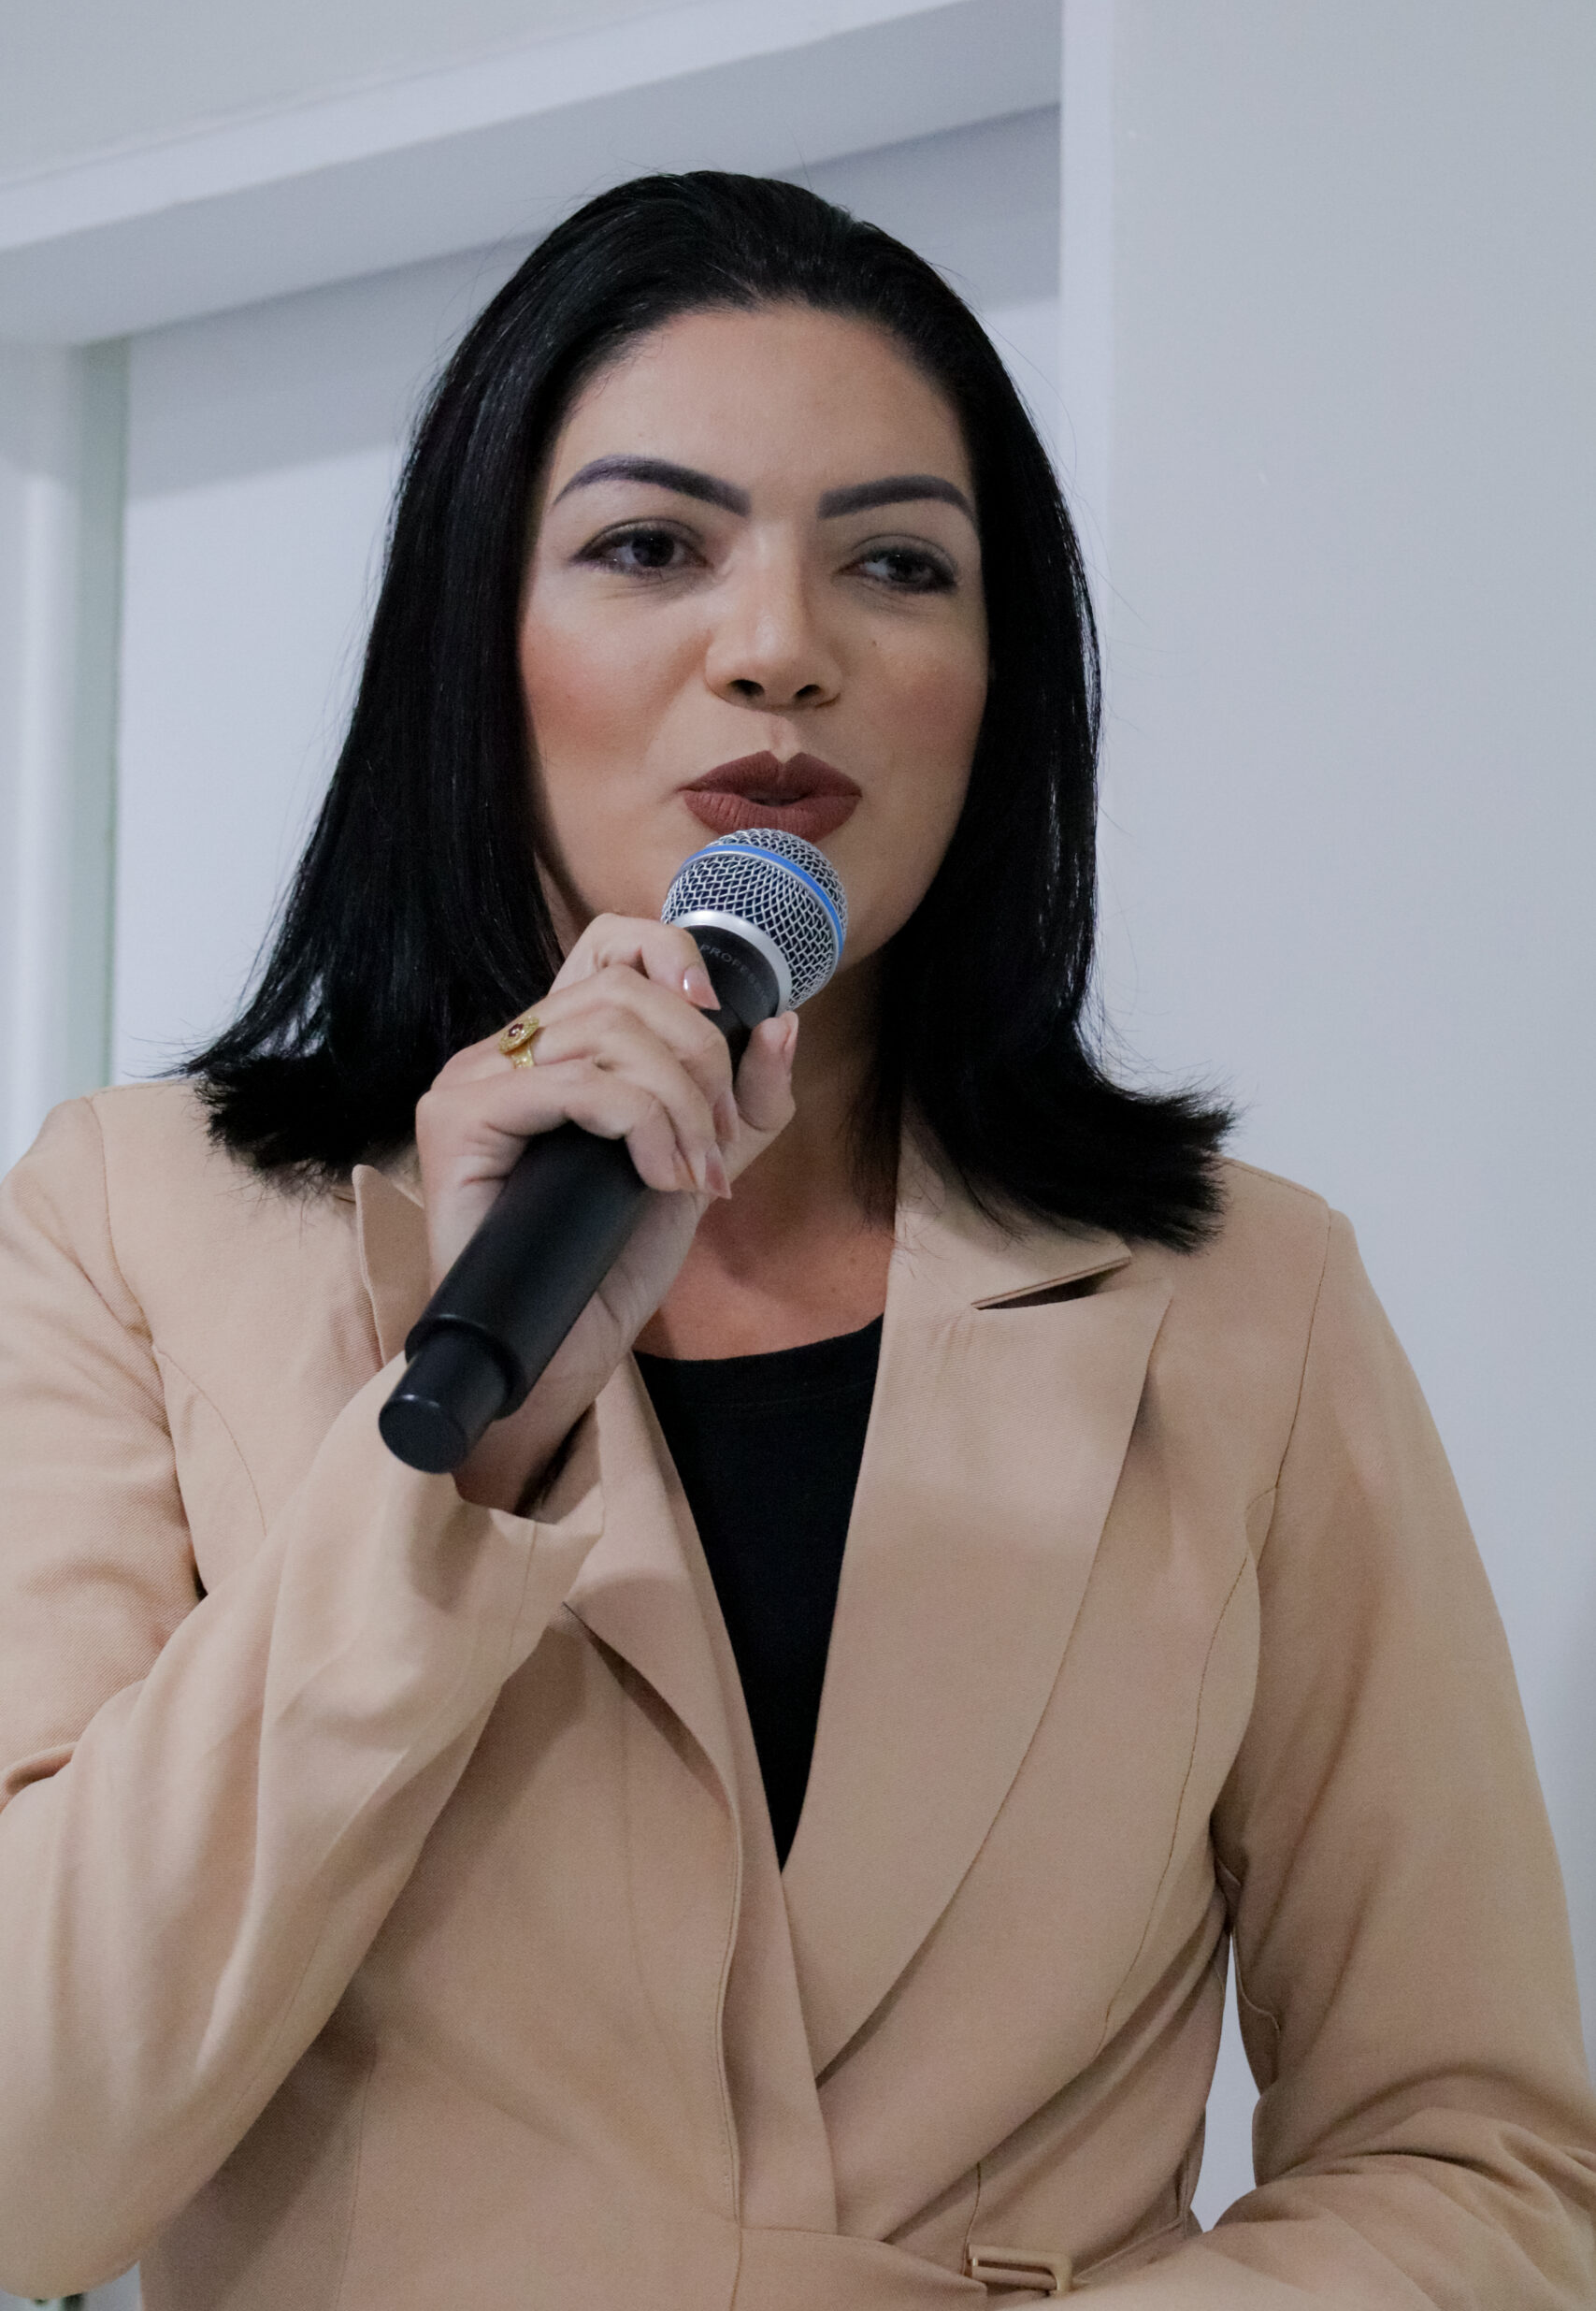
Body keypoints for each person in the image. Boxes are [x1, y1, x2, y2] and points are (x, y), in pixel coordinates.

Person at [0, 172, 1590, 2311]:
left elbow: (1474, 2155)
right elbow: (27, 2155)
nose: (779, 647)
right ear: (475, 639)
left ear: (999, 687)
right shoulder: (135, 1216)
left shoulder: (1243, 1299)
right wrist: (453, 1455)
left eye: (895, 564)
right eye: (650, 546)